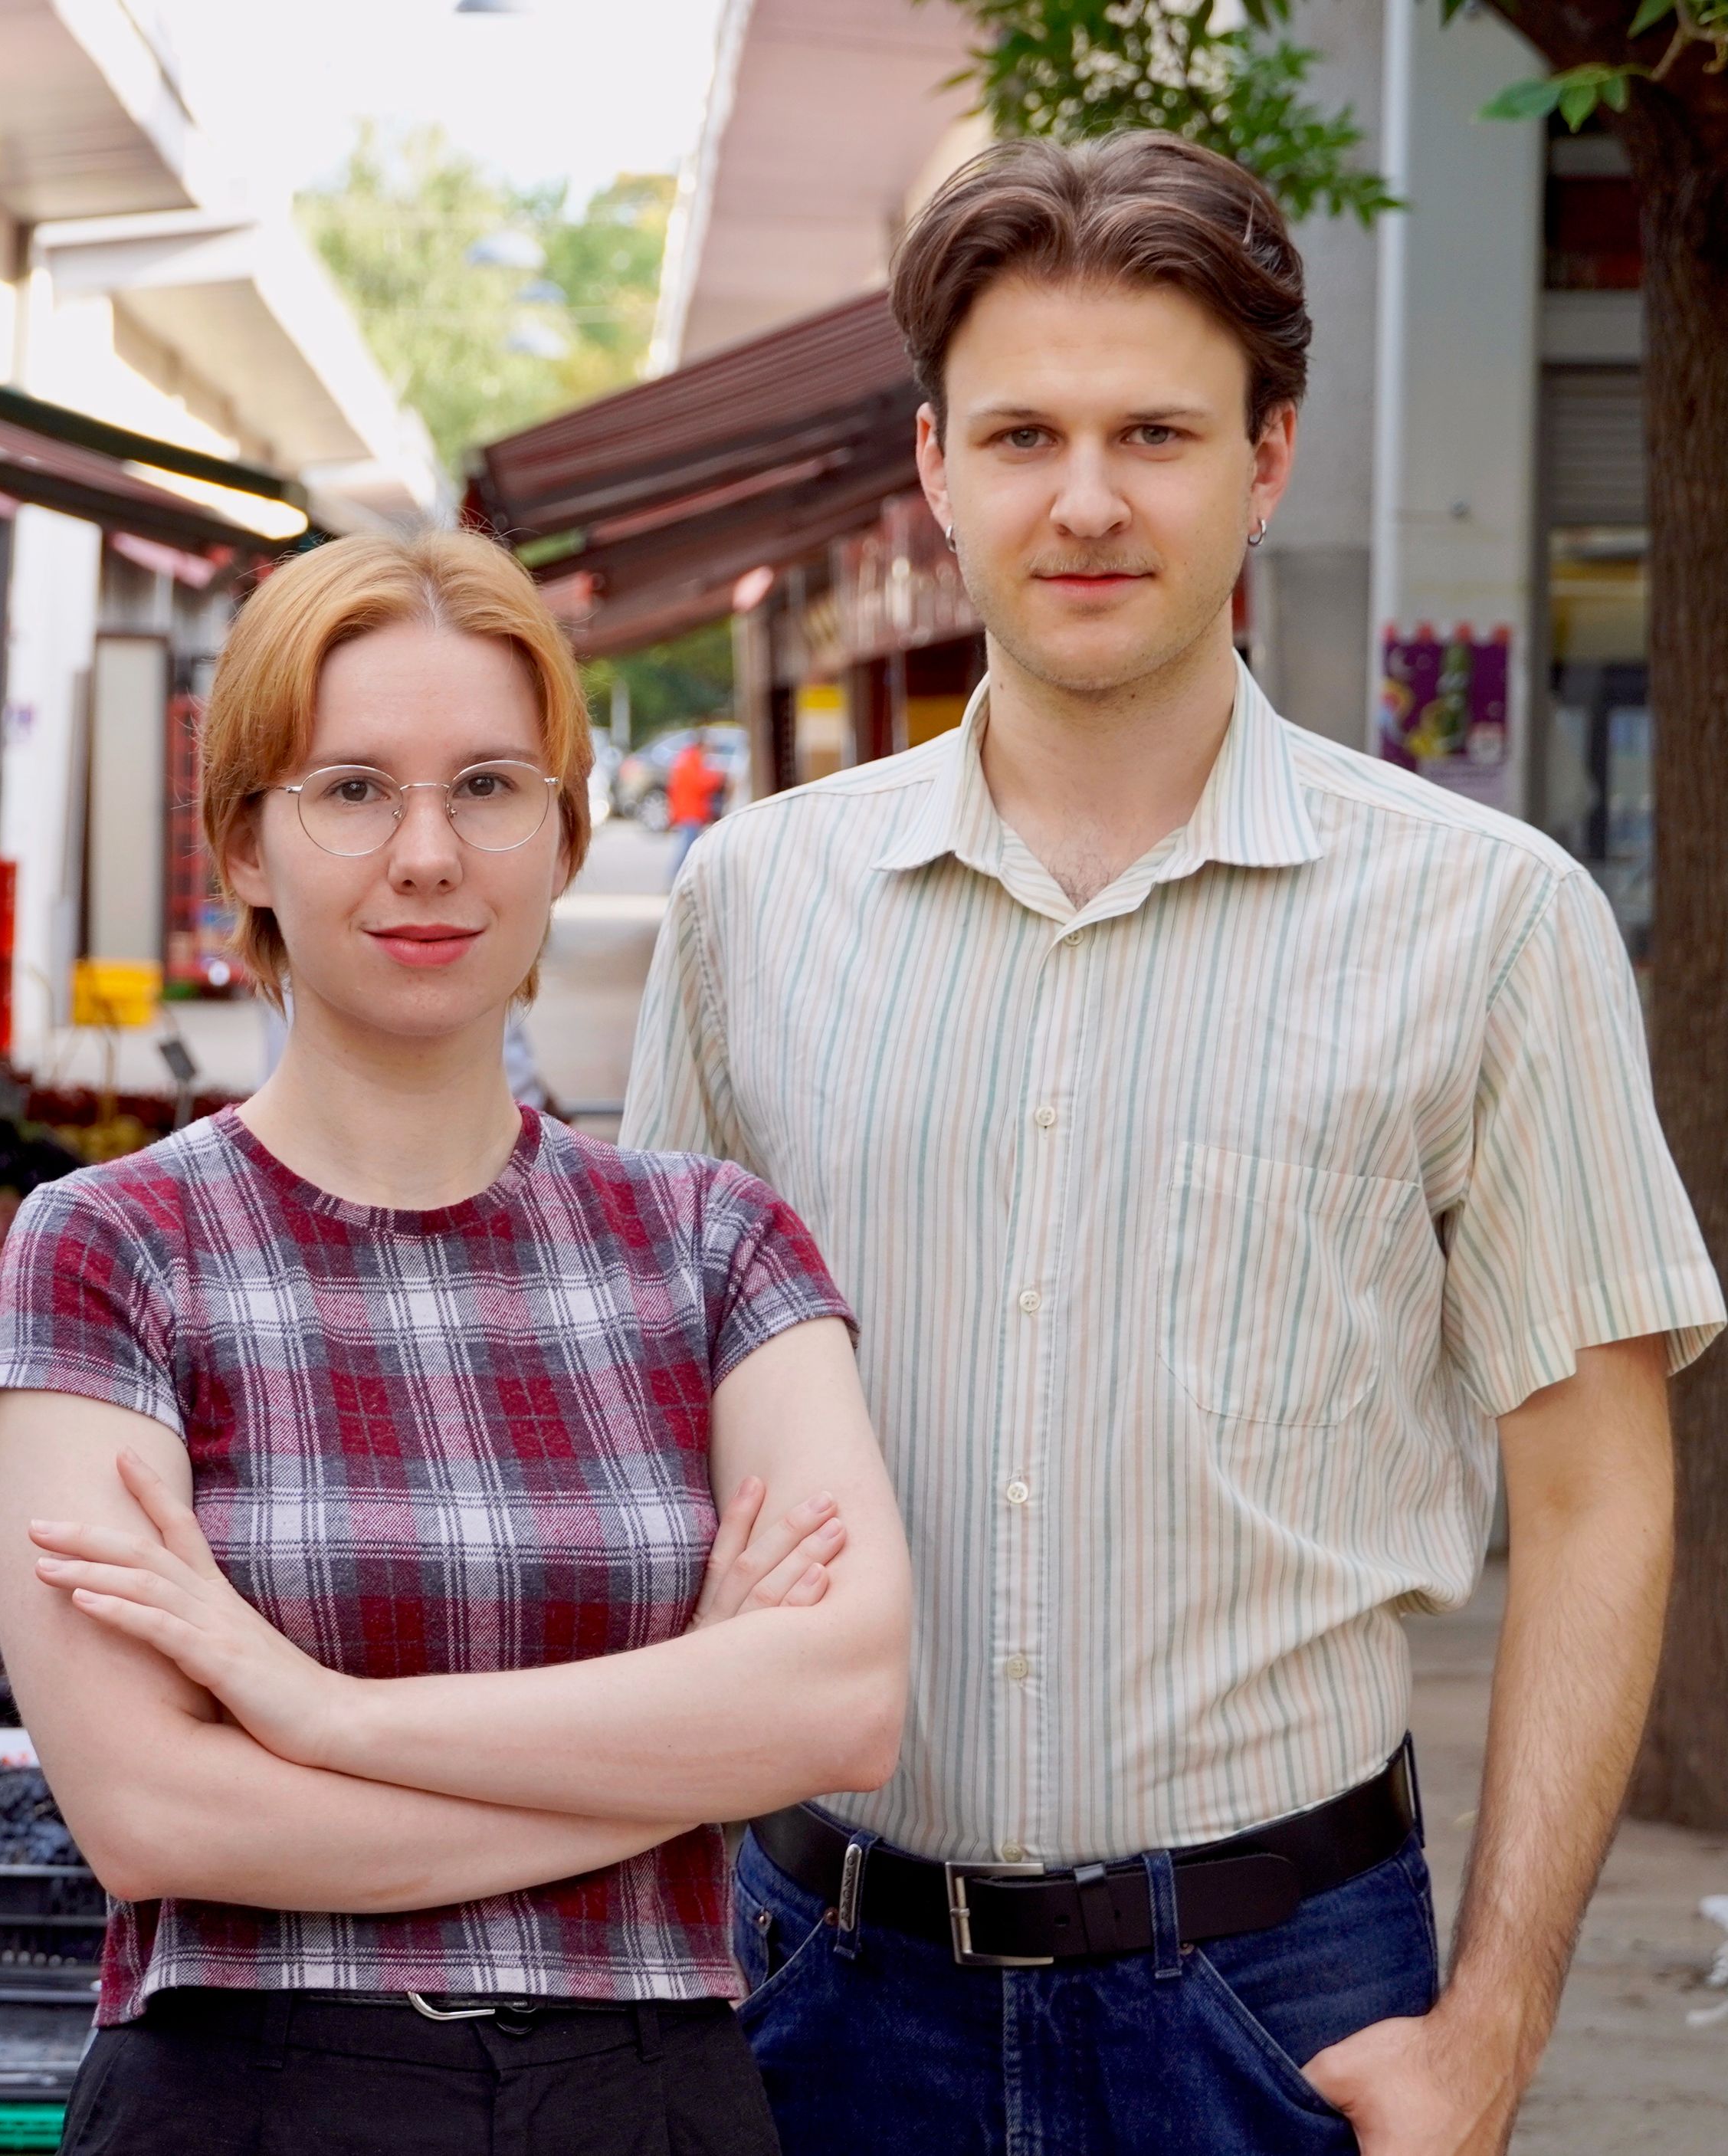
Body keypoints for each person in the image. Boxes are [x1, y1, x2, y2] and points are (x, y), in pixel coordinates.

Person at [622, 133, 1723, 2156]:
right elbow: (647, 1440)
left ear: (1268, 456)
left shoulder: (1489, 918)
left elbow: (1593, 1493)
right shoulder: (751, 906)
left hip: (1282, 1995)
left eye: (1157, 430)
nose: (1091, 498)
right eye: (1027, 432)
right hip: (820, 1981)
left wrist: (1493, 2022)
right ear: (938, 463)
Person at [0, 530, 913, 2154]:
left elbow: (838, 1710)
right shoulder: (111, 1252)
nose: (424, 851)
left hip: (645, 2102)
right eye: (347, 789)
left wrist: (310, 1711)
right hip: (248, 2096)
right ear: (242, 842)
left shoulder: (709, 1242)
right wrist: (680, 1739)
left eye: (485, 785)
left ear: (558, 832)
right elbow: (152, 1809)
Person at [667, 733, 721, 877]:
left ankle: (679, 877)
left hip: (690, 810)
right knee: (687, 848)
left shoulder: (688, 760)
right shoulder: (690, 762)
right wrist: (716, 777)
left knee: (688, 846)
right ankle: (677, 877)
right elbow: (699, 784)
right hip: (690, 811)